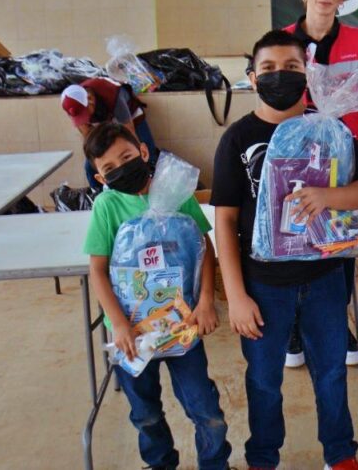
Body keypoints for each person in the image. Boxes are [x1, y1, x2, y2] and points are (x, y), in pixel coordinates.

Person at [211, 30, 358, 470]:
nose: (279, 76)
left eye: (291, 68)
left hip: (325, 277)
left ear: (308, 75)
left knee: (331, 373)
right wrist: (236, 296)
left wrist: (329, 197)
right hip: (263, 287)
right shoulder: (237, 139)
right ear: (251, 77)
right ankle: (262, 458)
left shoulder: (329, 130)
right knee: (264, 380)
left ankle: (340, 454)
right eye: (268, 69)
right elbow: (225, 221)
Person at [82, 122, 230, 470]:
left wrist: (207, 300)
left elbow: (203, 248)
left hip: (184, 325)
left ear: (144, 152)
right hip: (132, 334)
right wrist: (118, 325)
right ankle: (160, 463)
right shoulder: (106, 207)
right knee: (145, 412)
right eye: (109, 168)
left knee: (205, 409)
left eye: (128, 157)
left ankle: (215, 464)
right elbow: (98, 271)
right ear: (101, 178)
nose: (122, 169)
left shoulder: (175, 192)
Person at [283, 0, 358, 368]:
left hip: (345, 152)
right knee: (298, 237)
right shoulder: (281, 38)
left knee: (341, 240)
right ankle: (297, 325)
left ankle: (338, 321)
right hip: (296, 156)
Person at [61, 77, 159, 189]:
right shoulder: (73, 106)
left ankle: (153, 187)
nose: (85, 119)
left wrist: (138, 160)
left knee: (146, 151)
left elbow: (129, 131)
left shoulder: (113, 95)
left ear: (90, 100)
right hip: (104, 126)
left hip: (130, 117)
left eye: (85, 113)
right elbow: (89, 138)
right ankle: (97, 193)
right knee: (89, 167)